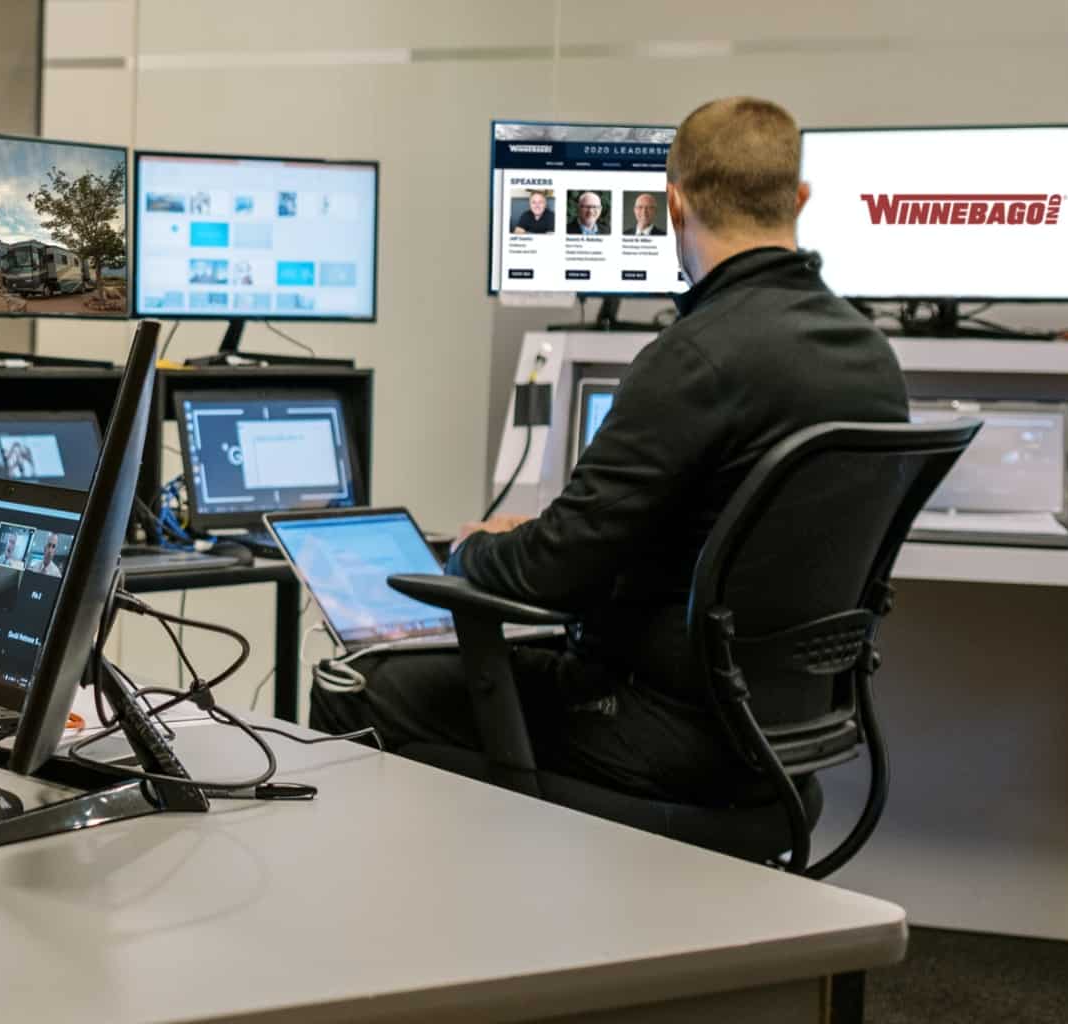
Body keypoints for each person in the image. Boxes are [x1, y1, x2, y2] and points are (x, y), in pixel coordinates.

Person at [312, 97, 908, 809]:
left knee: (352, 687)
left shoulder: (694, 358)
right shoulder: (872, 357)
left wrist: (472, 550)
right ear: (799, 199)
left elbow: (552, 574)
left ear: (674, 204)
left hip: (658, 727)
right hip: (782, 730)